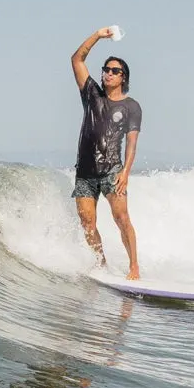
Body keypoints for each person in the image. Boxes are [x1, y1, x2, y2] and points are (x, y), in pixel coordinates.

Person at [70, 26, 142, 280]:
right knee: (87, 221)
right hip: (85, 171)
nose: (108, 73)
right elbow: (77, 59)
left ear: (123, 77)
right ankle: (101, 265)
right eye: (106, 69)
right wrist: (98, 36)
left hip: (112, 169)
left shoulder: (132, 107)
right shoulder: (91, 95)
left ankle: (134, 267)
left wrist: (126, 171)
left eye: (115, 71)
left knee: (121, 217)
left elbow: (132, 142)